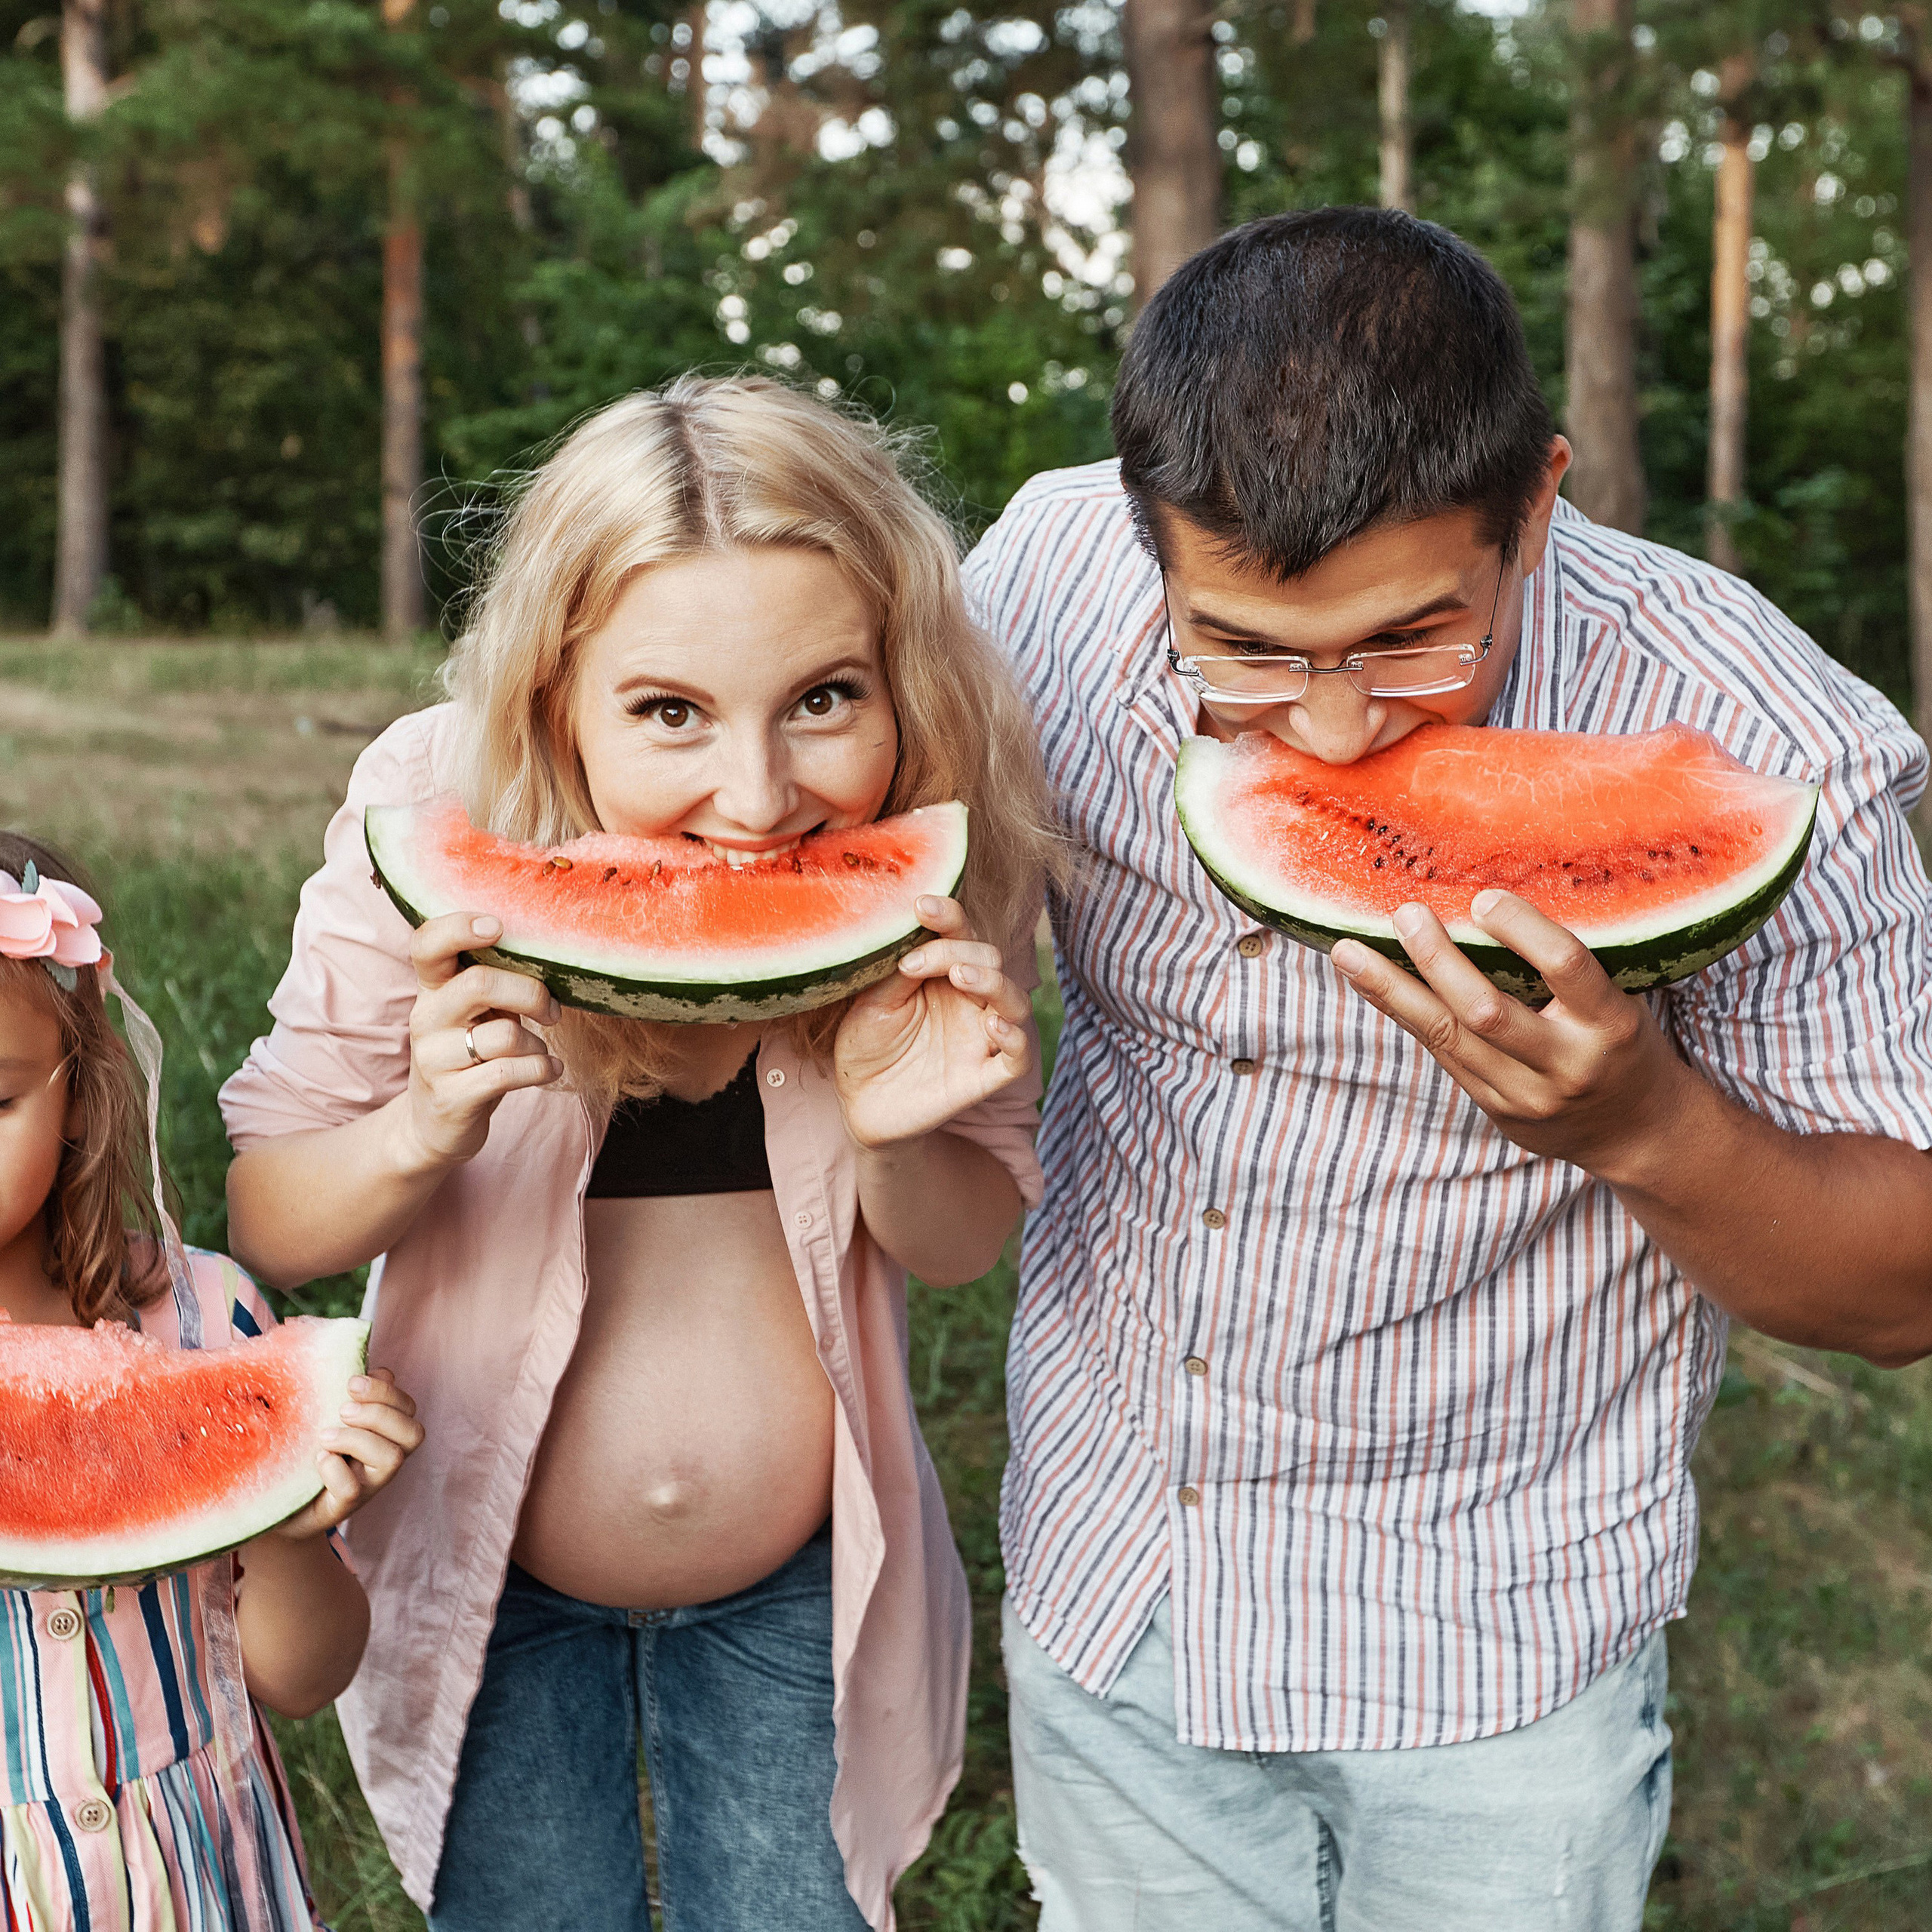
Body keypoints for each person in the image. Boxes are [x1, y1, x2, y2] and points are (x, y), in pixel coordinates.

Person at [964, 207, 1932, 1932]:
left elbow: (1900, 1283)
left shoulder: (1769, 741)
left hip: (1489, 1635)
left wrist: (1644, 1124)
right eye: (1245, 653)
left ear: (1537, 500)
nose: (1331, 733)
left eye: (1415, 642)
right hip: (1112, 1563)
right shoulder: (1038, 576)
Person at [217, 377, 1062, 1932]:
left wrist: (896, 1134)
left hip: (802, 1587)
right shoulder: (426, 810)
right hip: (488, 1590)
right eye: (669, 712)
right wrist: (420, 1125)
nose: (755, 799)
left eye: (823, 699)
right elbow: (271, 1213)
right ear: (555, 694)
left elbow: (954, 1239)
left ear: (901, 684)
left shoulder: (929, 856)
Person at [0, 832, 423, 1930]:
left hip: (209, 1884)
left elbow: (302, 1678)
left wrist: (287, 1523)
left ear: (80, 1096)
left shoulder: (207, 1319)